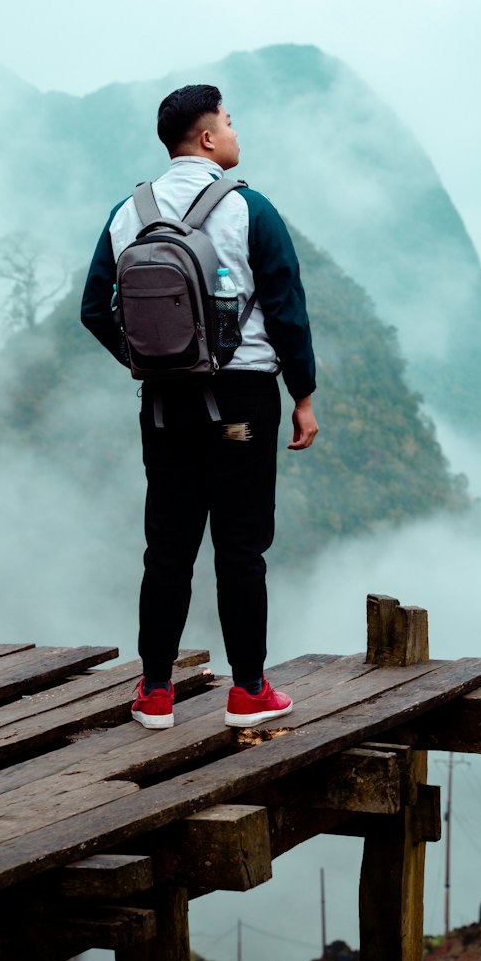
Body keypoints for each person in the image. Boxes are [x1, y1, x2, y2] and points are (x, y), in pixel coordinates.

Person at [80, 84, 319, 730]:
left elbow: (93, 309)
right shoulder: (251, 210)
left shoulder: (128, 212)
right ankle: (247, 693)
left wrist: (146, 361)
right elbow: (288, 312)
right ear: (208, 138)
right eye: (231, 122)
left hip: (162, 402)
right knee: (240, 549)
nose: (237, 133)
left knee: (167, 548)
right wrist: (302, 395)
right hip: (242, 395)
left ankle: (154, 693)